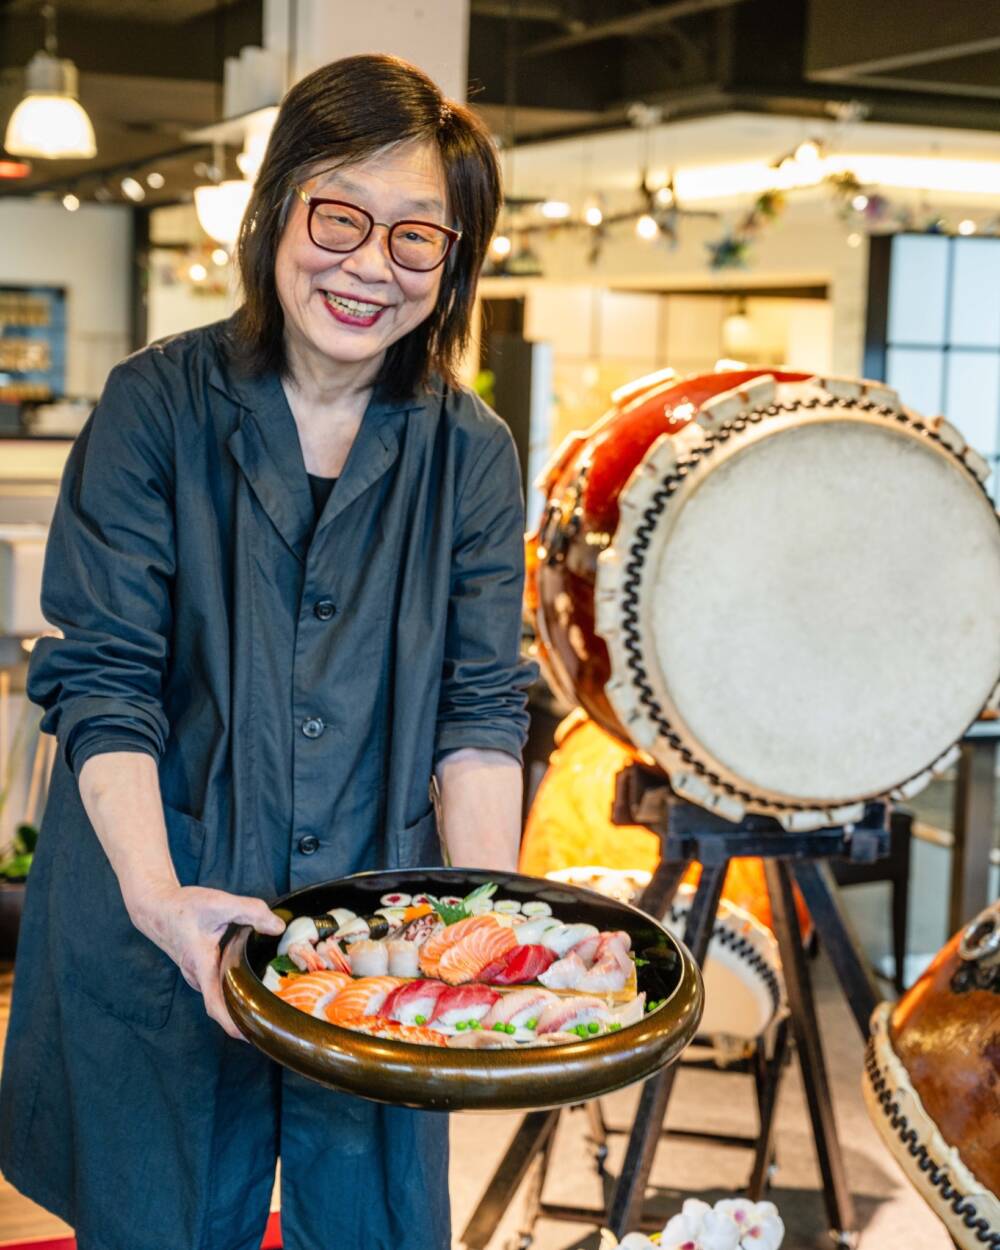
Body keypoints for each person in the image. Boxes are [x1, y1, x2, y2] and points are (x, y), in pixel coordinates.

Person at [0, 53, 534, 1250]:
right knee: (163, 1218)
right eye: (338, 214)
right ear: (277, 207)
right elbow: (104, 678)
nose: (366, 265)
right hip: (166, 899)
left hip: (373, 934)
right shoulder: (158, 405)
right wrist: (158, 894)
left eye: (415, 238)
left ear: (453, 264)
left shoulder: (472, 454)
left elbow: (480, 709)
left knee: (371, 1222)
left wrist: (480, 920)